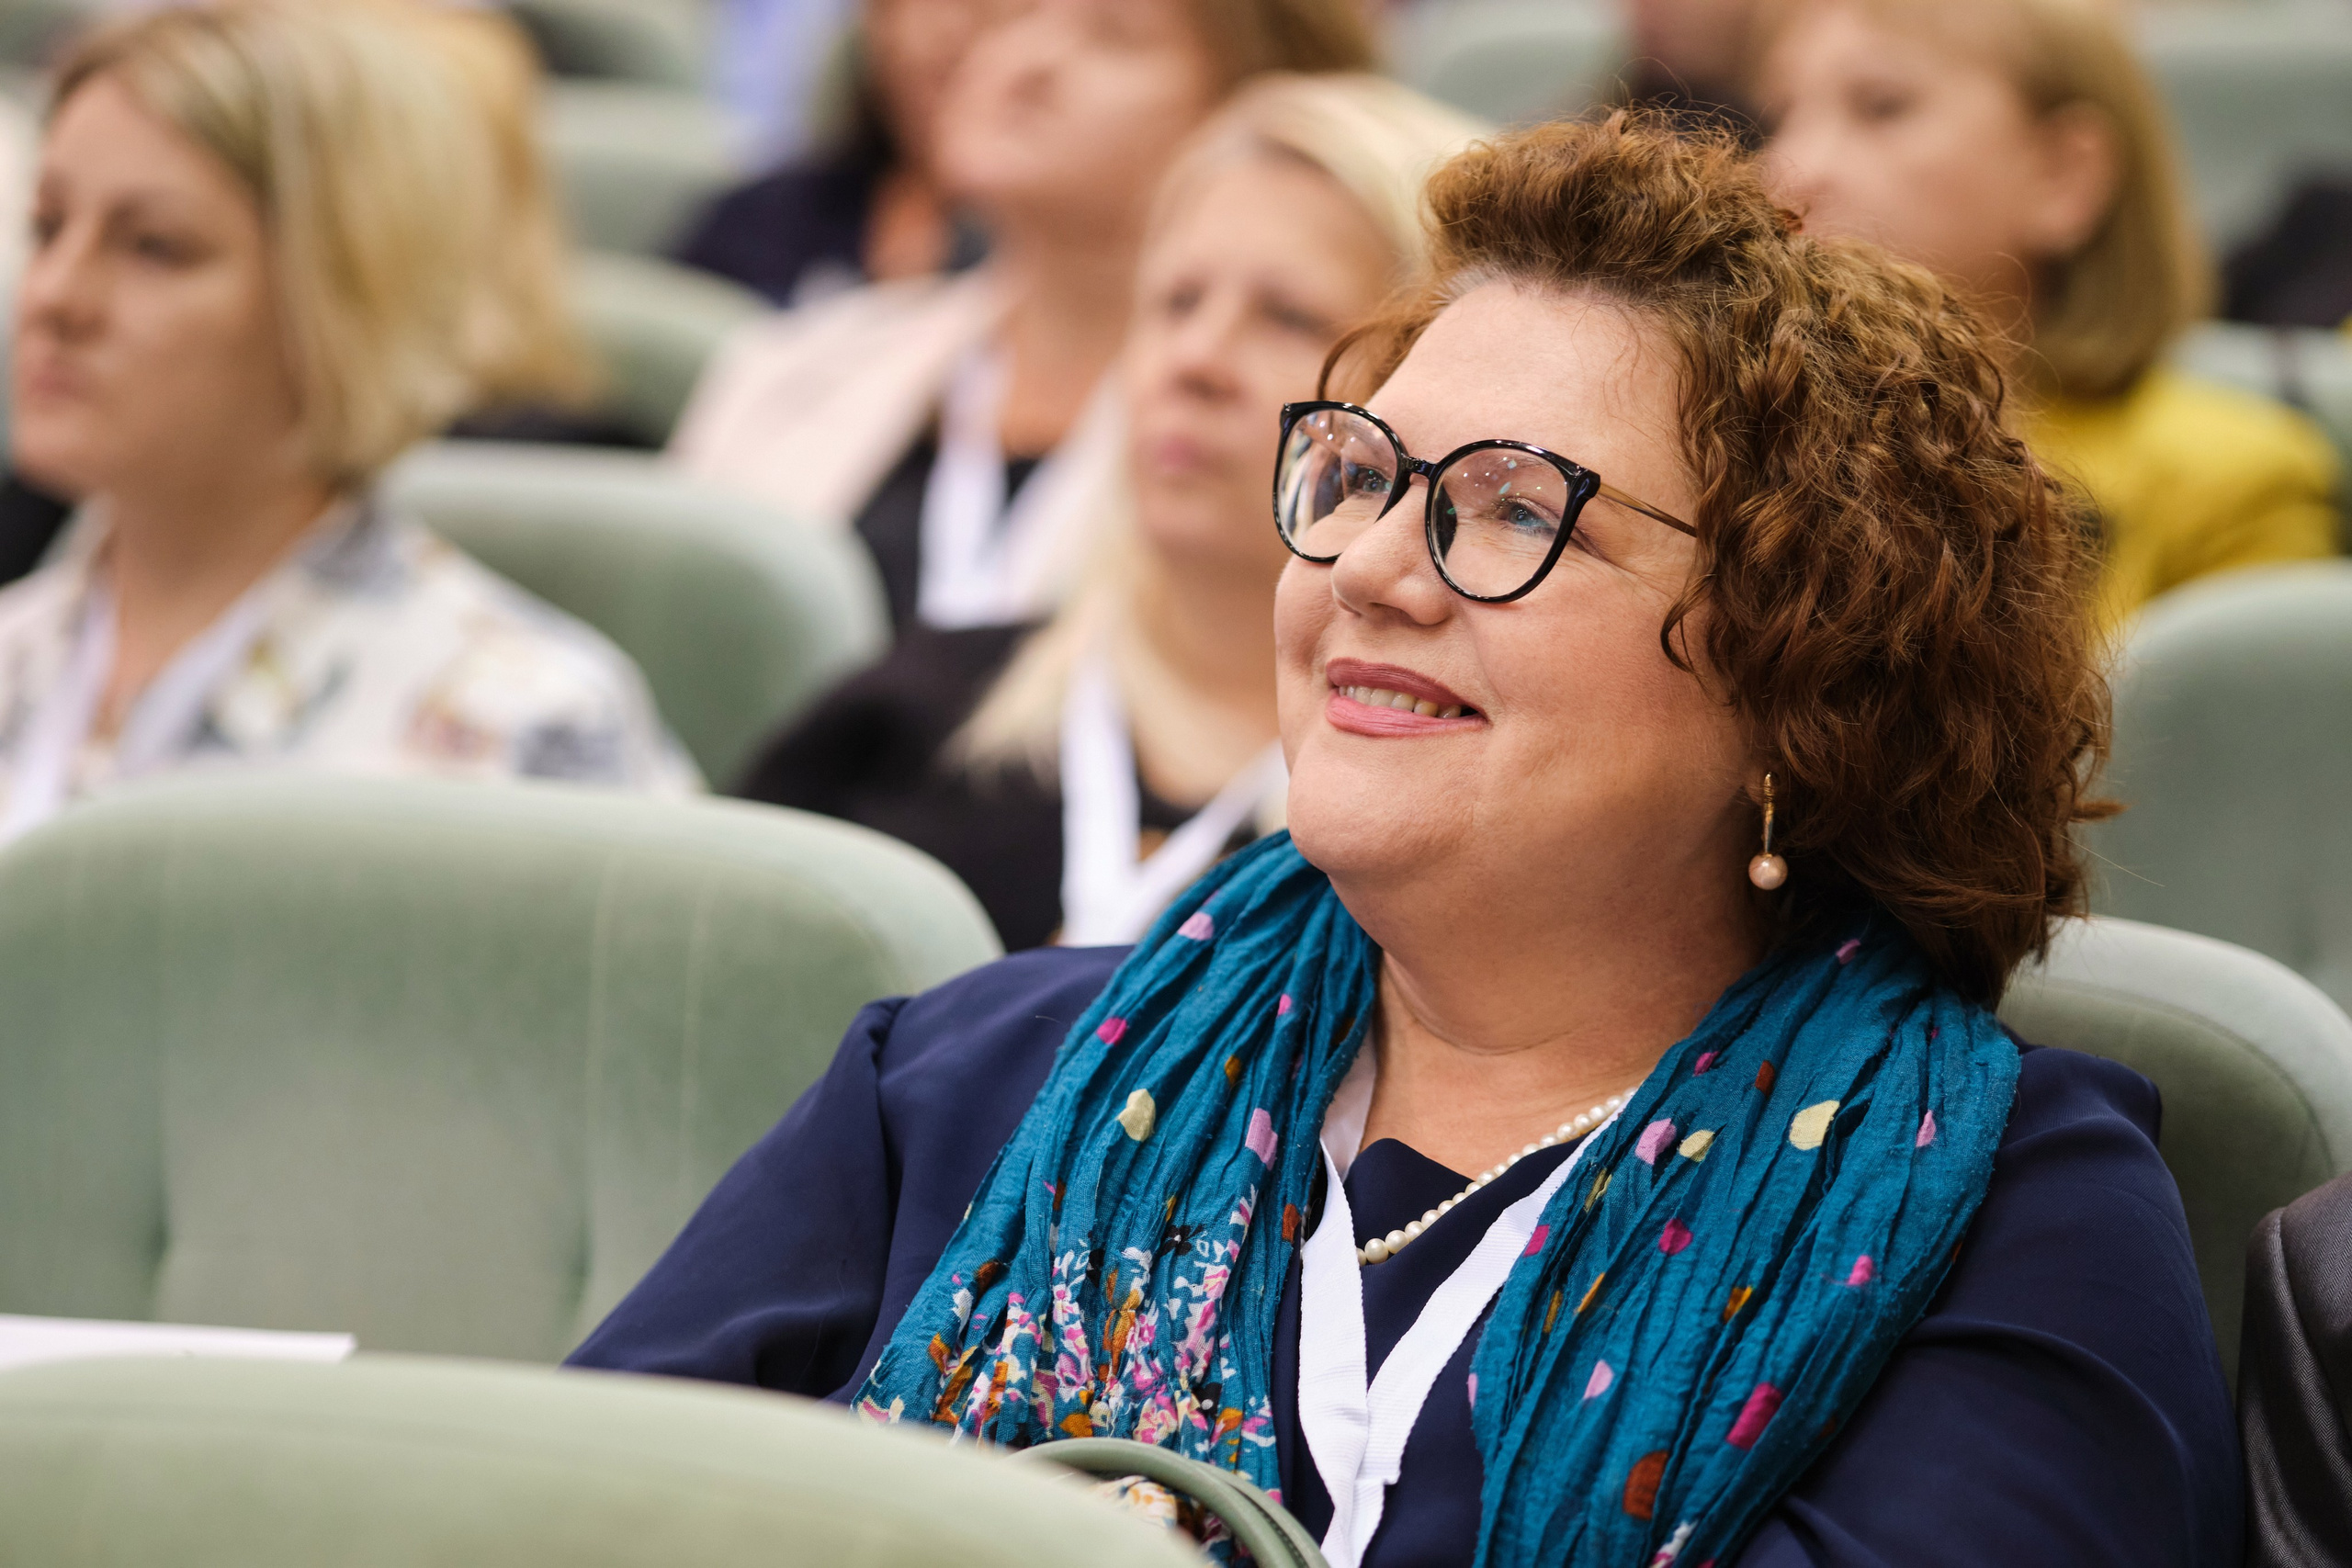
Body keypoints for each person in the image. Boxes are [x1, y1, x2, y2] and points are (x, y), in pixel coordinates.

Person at [574, 115, 2237, 1564]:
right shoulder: (954, 1085)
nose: (1374, 563)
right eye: (1361, 474)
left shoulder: (2003, 1218)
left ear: (1806, 676)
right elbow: (549, 1521)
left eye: (1514, 507)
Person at [738, 75, 1482, 950]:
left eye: (1288, 316)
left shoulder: (1445, 829)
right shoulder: (905, 723)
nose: (1195, 360)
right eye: (1174, 302)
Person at [0, 0, 697, 842]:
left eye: (154, 246)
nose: (54, 296)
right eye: (47, 227)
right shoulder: (21, 654)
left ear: (336, 299)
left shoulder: (517, 730)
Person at [670, 0, 1374, 636]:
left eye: (1112, 36)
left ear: (1262, 107)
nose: (1026, 63)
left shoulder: (1275, 439)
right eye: (1015, 14)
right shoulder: (792, 361)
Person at [1756, 0, 2341, 626]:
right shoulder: (1736, 445)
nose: (1792, 170)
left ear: (2064, 173)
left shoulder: (2232, 480)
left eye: (1881, 106)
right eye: (1782, 114)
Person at [674, 0, 1002, 308]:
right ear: (878, 27)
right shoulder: (768, 216)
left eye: (987, 10)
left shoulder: (1031, 265)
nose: (950, 33)